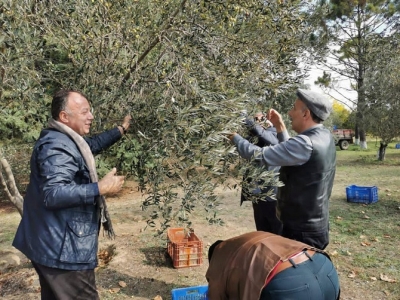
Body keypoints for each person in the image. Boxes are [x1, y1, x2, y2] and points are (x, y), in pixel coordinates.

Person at [13, 89, 131, 300]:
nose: (91, 116)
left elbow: (92, 145)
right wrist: (99, 188)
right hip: (62, 251)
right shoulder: (56, 145)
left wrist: (120, 129)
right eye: (85, 111)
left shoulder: (68, 140)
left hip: (52, 243)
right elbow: (53, 194)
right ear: (64, 117)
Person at [229, 89, 336, 250]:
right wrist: (280, 126)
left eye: (293, 108)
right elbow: (291, 152)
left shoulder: (305, 143)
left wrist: (234, 137)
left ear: (306, 114)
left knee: (295, 272)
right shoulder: (324, 136)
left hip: (301, 230)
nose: (289, 112)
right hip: (314, 225)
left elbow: (257, 155)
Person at [206, 231, 340, 300]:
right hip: (324, 268)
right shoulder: (242, 241)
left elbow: (216, 296)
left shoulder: (219, 259)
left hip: (291, 285)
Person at [240, 112, 282, 234]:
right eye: (255, 119)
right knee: (262, 232)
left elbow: (266, 136)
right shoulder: (252, 137)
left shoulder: (275, 132)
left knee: (277, 232)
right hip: (257, 193)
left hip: (272, 194)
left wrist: (244, 116)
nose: (258, 121)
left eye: (261, 118)